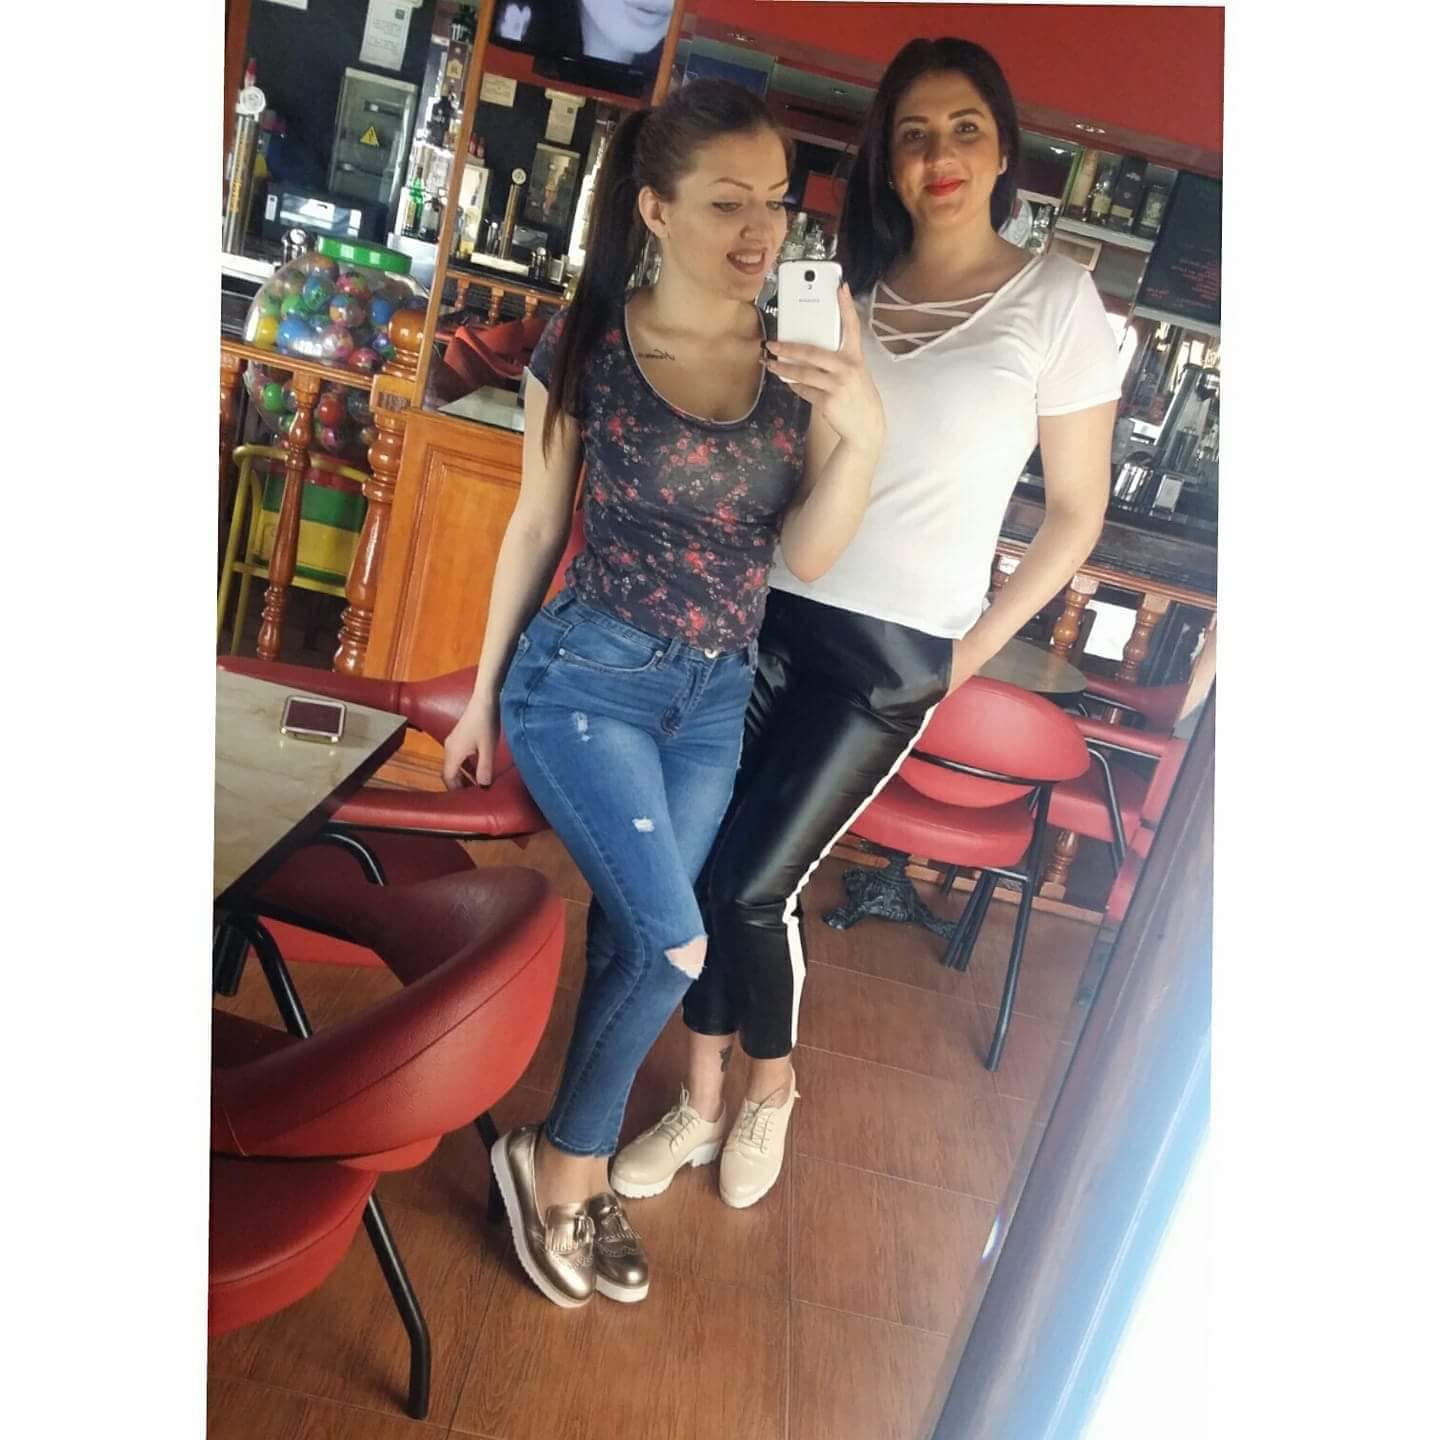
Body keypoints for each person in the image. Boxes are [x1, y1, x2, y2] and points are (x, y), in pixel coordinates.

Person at [612, 37, 1123, 1211]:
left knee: (756, 887)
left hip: (894, 656)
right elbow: (794, 466)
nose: (940, 153)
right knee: (701, 867)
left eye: (964, 128)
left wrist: (963, 658)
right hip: (770, 614)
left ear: (1003, 148)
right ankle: (698, 1100)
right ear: (887, 161)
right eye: (914, 133)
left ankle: (770, 1090)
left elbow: (1076, 516)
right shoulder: (853, 296)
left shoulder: (1056, 300)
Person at [440, 78, 884, 1308]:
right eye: (728, 202)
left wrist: (862, 429)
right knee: (679, 943)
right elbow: (537, 524)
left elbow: (807, 556)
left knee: (640, 943)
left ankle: (558, 1158)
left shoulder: (800, 364)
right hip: (583, 681)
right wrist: (482, 697)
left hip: (711, 701)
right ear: (655, 209)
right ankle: (560, 1170)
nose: (761, 231)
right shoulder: (585, 344)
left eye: (777, 203)